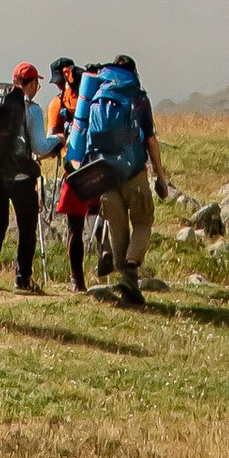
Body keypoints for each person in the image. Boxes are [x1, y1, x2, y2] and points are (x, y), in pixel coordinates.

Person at [66, 55, 167, 309]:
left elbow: (81, 133)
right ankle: (130, 271)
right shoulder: (137, 96)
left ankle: (127, 285)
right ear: (132, 72)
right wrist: (160, 175)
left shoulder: (96, 94)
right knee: (143, 221)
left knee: (116, 228)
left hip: (104, 174)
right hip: (133, 171)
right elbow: (150, 139)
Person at [0, 64, 48, 289]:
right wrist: (58, 140)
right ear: (32, 83)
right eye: (37, 84)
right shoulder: (32, 110)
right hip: (21, 177)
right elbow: (40, 147)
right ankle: (22, 278)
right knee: (26, 227)